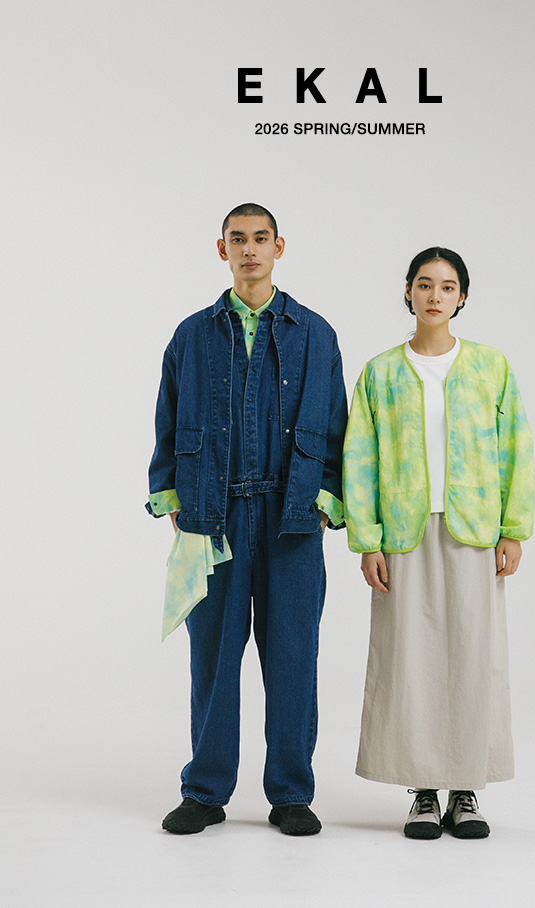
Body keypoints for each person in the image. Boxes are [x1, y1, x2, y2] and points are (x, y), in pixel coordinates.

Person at [147, 203, 347, 836]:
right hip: (214, 516)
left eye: (261, 239)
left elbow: (337, 430)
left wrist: (324, 504)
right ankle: (205, 792)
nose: (250, 249)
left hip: (292, 520)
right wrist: (173, 499)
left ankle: (290, 793)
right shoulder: (191, 335)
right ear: (222, 249)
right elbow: (167, 422)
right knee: (212, 657)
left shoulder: (316, 335)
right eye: (239, 239)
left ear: (279, 247)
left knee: (293, 658)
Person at [342, 247, 534, 840]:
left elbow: (515, 448)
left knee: (473, 657)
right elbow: (359, 458)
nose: (434, 296)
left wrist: (512, 529)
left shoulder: (491, 367)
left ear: (462, 297)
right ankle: (423, 791)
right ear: (408, 291)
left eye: (447, 287)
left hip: (473, 529)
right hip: (403, 532)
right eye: (424, 284)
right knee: (410, 659)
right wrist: (367, 539)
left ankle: (465, 789)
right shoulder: (380, 372)